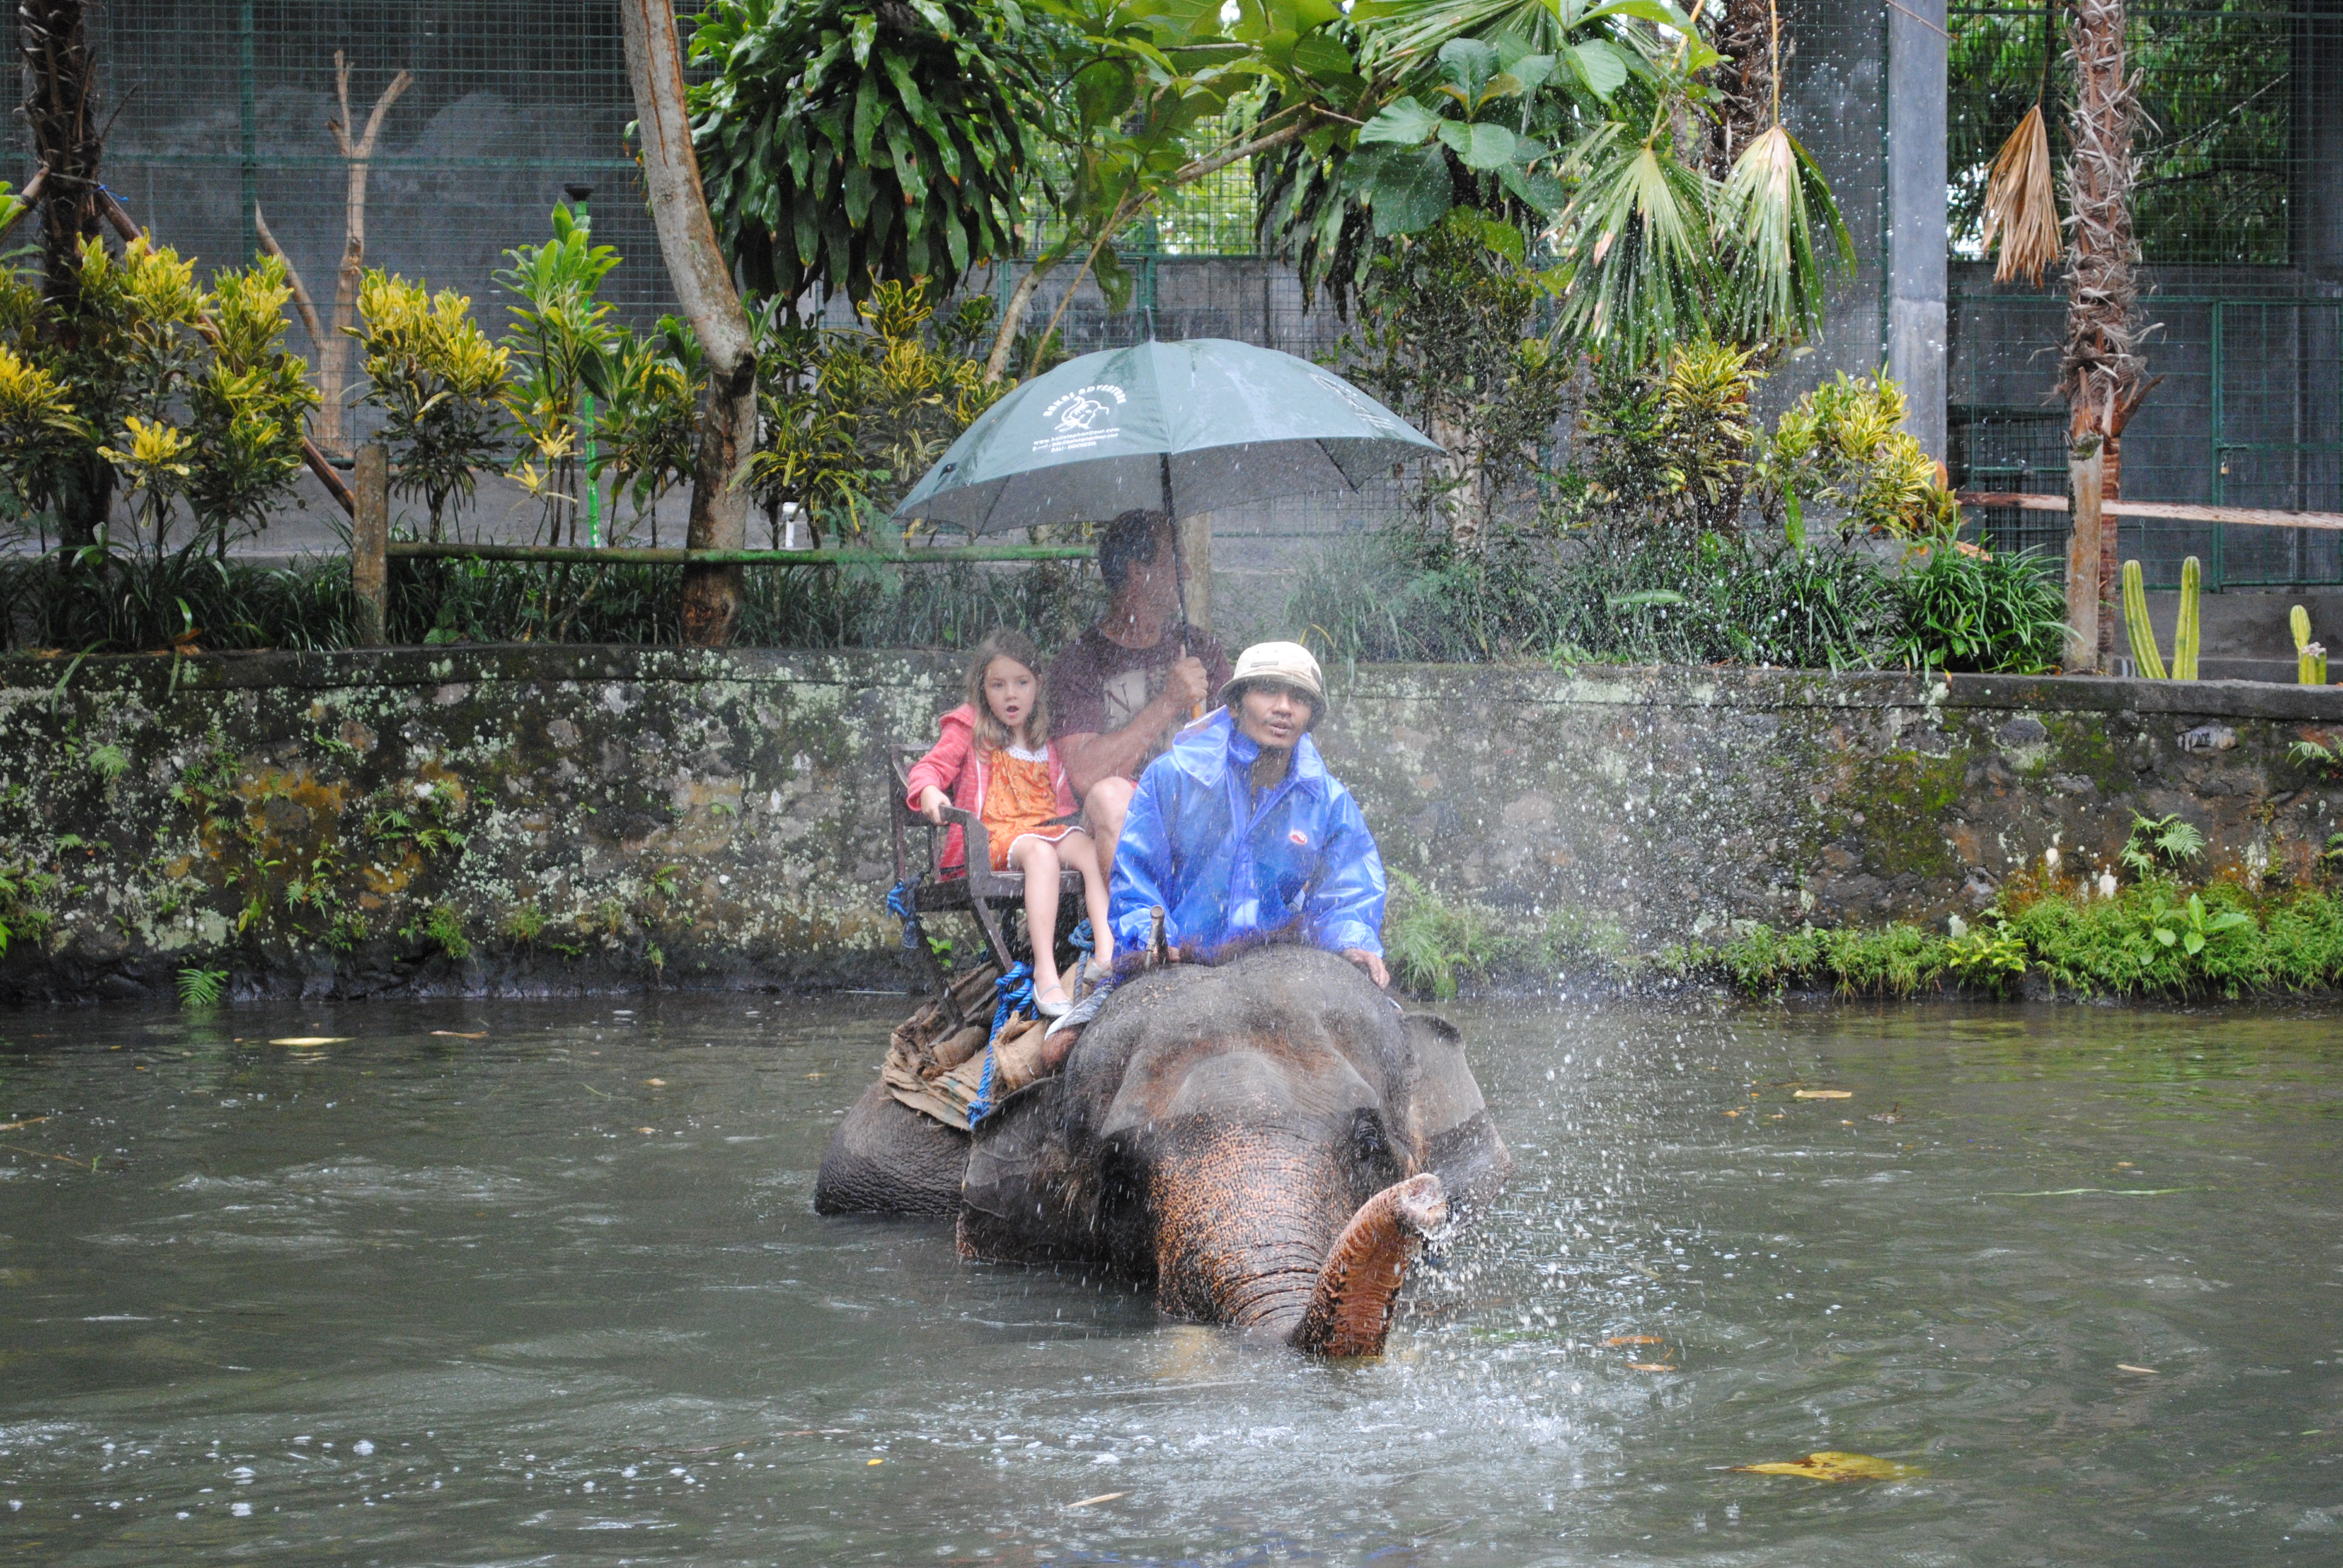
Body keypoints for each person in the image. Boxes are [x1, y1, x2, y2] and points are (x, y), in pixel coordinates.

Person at [1107, 639, 1388, 988]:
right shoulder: (1174, 776)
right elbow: (1136, 880)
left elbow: (1349, 893)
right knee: (1071, 1038)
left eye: (1299, 699)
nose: (1284, 708)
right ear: (1235, 706)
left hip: (1281, 971)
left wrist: (1352, 942)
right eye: (1269, 692)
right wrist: (1156, 940)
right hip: (1178, 964)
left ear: (1311, 719)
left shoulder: (1329, 801)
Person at [905, 629, 1114, 1014]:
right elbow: (930, 768)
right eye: (998, 685)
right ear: (982, 688)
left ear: (1038, 685)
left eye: (1021, 683)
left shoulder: (1045, 736)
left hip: (1047, 826)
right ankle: (1046, 976)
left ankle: (1106, 952)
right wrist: (931, 792)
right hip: (994, 837)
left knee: (1089, 850)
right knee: (1040, 855)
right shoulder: (970, 726)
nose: (1011, 695)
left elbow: (1070, 792)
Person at [1048, 509, 1234, 878]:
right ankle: (1136, 932)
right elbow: (1086, 776)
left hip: (1195, 811)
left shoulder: (1200, 648)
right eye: (1175, 561)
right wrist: (1167, 704)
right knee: (1113, 795)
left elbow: (1239, 747)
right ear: (1137, 572)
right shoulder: (1081, 661)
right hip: (1110, 819)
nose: (1188, 573)